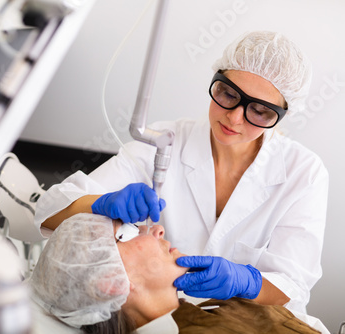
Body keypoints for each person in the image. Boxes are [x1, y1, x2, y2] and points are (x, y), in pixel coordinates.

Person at [33, 30, 328, 313]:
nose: (235, 117)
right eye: (228, 93)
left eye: (259, 111)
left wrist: (246, 283)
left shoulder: (304, 173)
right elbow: (49, 213)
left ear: (280, 117)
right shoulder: (163, 141)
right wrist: (99, 204)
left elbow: (294, 284)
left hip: (250, 319)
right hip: (164, 312)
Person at [29, 213, 324, 333]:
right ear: (110, 283)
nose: (157, 228)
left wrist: (251, 285)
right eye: (127, 232)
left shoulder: (201, 312)